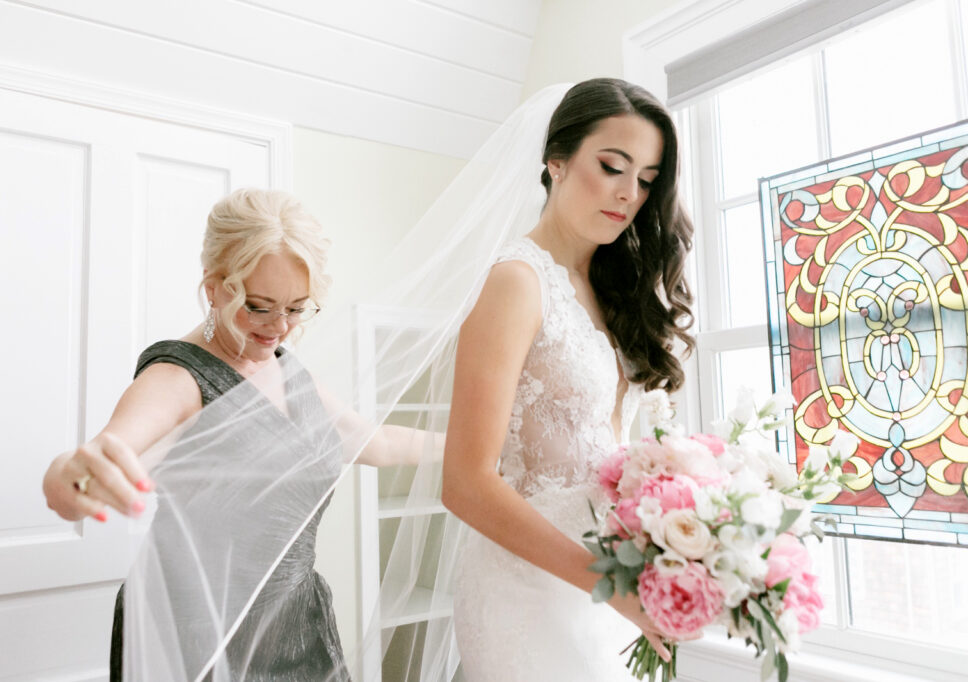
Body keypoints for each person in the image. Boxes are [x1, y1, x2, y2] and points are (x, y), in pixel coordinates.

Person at [42, 188, 431, 681]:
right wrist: (67, 479)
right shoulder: (176, 378)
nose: (279, 328)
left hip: (296, 624)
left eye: (296, 308)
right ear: (215, 288)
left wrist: (486, 446)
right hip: (199, 638)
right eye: (260, 306)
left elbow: (378, 442)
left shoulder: (287, 369)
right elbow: (99, 455)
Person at [441, 78, 696, 680]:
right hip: (526, 590)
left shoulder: (616, 291)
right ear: (556, 161)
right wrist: (610, 584)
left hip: (608, 583)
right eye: (612, 166)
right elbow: (464, 483)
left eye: (647, 179)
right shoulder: (515, 281)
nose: (629, 193)